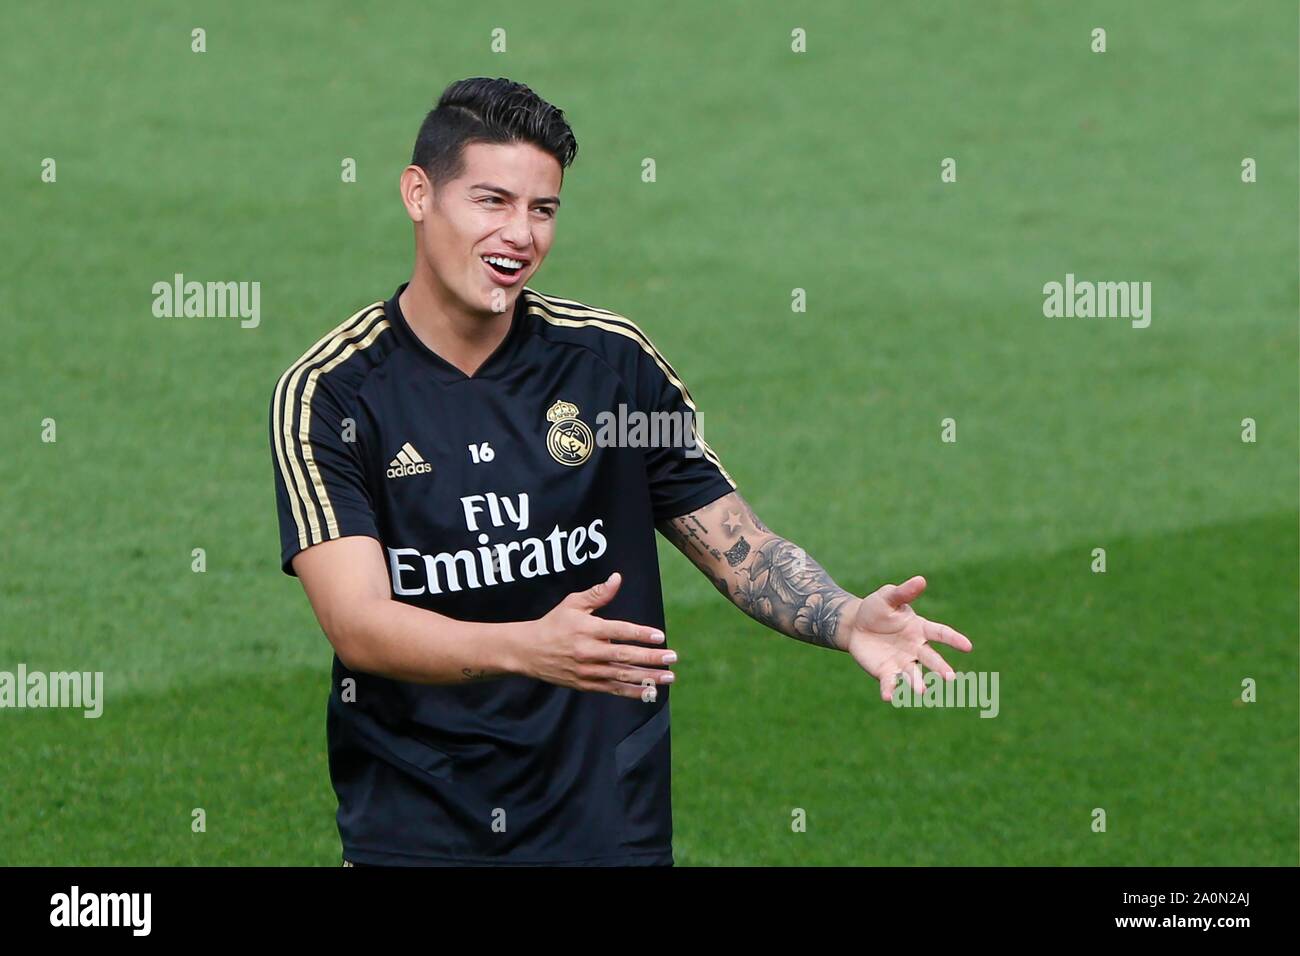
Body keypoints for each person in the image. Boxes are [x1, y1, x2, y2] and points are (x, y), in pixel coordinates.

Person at [269, 76, 972, 867]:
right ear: (418, 194)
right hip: (419, 828)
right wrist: (529, 647)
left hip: (607, 824)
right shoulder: (331, 394)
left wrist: (845, 618)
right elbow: (357, 623)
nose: (520, 235)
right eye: (492, 201)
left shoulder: (611, 365)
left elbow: (739, 546)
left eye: (544, 209)